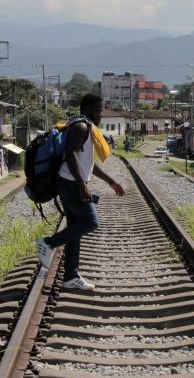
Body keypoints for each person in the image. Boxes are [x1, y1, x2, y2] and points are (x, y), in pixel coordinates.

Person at [36, 94, 125, 290]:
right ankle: (49, 242)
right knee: (91, 222)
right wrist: (82, 184)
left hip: (71, 183)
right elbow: (69, 156)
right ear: (90, 108)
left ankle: (70, 277)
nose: (101, 114)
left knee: (76, 229)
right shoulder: (80, 127)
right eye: (99, 110)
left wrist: (112, 182)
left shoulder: (86, 128)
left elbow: (87, 164)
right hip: (70, 184)